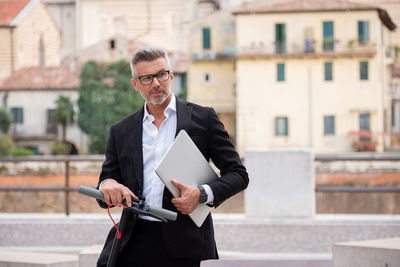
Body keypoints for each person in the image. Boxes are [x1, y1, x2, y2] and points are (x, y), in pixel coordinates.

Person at [96, 46, 249, 267]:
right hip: (133, 241)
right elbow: (107, 179)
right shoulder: (121, 130)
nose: (156, 83)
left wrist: (201, 194)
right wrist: (108, 185)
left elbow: (238, 174)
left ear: (171, 75)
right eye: (147, 78)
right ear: (135, 84)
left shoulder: (203, 119)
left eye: (161, 74)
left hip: (186, 243)